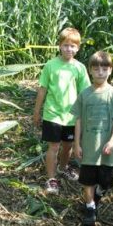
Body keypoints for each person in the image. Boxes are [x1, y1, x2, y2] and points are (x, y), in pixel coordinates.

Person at [72, 51, 113, 226]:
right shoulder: (84, 94)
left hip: (106, 148)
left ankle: (97, 195)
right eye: (96, 68)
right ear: (90, 70)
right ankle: (90, 208)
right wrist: (76, 144)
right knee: (87, 179)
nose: (100, 72)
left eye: (104, 68)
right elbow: (78, 120)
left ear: (110, 70)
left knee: (106, 181)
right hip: (89, 147)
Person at [33, 27, 91, 194]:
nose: (69, 49)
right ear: (59, 46)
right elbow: (42, 89)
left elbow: (84, 93)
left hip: (71, 117)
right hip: (53, 114)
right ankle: (51, 179)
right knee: (54, 147)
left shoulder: (79, 68)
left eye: (73, 46)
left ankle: (63, 167)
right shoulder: (51, 66)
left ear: (78, 48)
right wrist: (37, 112)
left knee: (68, 146)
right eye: (65, 45)